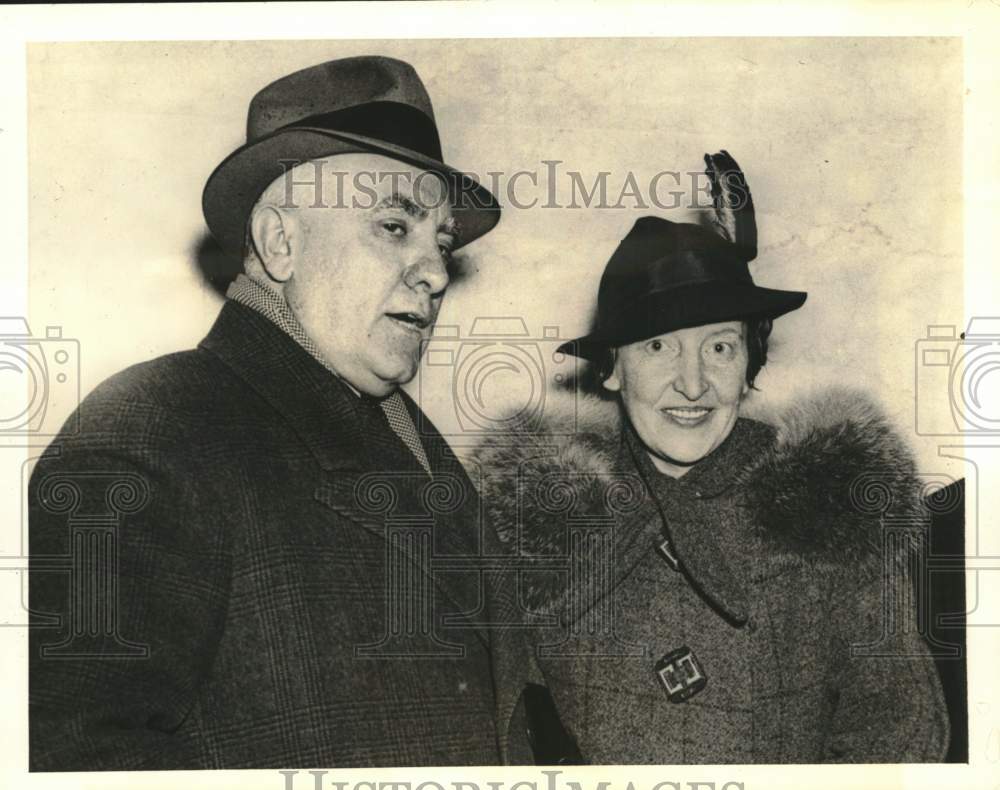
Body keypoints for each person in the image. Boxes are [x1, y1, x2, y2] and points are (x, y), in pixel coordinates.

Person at [28, 55, 534, 770]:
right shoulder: (152, 430)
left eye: (441, 243)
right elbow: (73, 754)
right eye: (395, 226)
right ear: (280, 243)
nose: (435, 273)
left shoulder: (404, 436)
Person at [473, 152, 950, 763]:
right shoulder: (544, 534)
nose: (693, 384)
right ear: (613, 369)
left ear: (748, 365)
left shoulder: (830, 514)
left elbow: (902, 732)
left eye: (720, 347)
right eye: (658, 347)